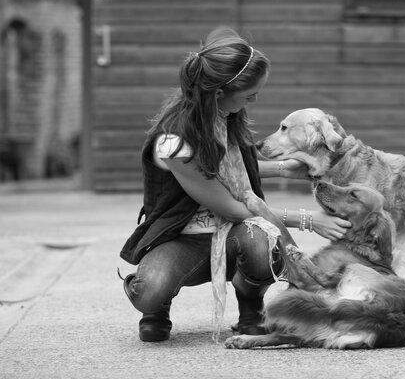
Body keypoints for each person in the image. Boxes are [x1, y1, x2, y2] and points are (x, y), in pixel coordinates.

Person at [119, 26, 351, 342]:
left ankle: (251, 308)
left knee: (259, 245)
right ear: (218, 93)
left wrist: (286, 169)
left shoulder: (225, 115)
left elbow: (230, 172)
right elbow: (233, 206)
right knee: (150, 290)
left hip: (231, 236)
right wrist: (308, 220)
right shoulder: (172, 142)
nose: (253, 100)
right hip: (181, 237)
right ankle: (155, 306)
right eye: (249, 94)